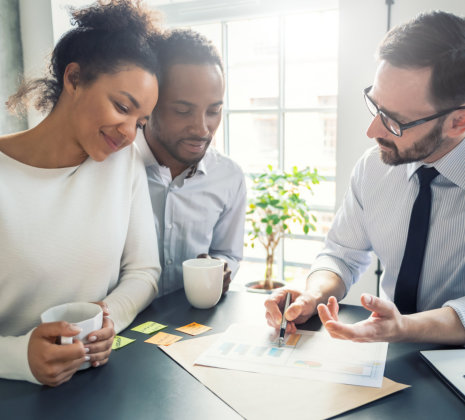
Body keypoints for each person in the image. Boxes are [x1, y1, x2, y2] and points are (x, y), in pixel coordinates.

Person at [265, 11, 465, 345]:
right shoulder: (375, 167)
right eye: (376, 107)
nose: (372, 131)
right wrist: (311, 294)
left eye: (395, 122)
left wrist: (404, 328)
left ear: (458, 122)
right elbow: (342, 254)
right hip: (386, 355)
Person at [0, 0, 162, 386]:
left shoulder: (123, 166)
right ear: (73, 79)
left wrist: (107, 316)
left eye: (140, 123)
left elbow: (144, 272)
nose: (128, 133)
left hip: (97, 385)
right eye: (122, 106)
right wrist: (20, 357)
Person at [135, 29, 246, 297]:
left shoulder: (229, 177)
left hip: (192, 326)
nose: (202, 129)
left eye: (214, 111)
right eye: (183, 111)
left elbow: (227, 253)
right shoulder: (114, 167)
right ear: (150, 103)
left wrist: (220, 269)